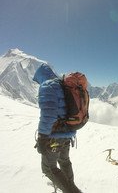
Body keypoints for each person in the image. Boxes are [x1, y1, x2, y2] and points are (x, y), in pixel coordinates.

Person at [33, 64, 81, 193]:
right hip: (67, 134)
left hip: (53, 136)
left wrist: (42, 137)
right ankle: (71, 187)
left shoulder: (48, 86)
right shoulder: (62, 85)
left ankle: (72, 191)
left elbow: (48, 115)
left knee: (49, 168)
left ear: (41, 76)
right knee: (64, 161)